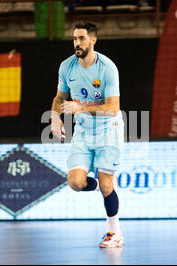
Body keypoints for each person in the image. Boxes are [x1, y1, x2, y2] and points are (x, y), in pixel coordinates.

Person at [50, 21, 124, 248]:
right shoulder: (67, 66)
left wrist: (80, 108)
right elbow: (59, 98)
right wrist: (54, 118)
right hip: (83, 131)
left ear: (93, 40)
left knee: (106, 185)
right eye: (74, 39)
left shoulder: (107, 68)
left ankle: (114, 232)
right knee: (75, 182)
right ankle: (106, 184)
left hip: (108, 129)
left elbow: (112, 107)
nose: (77, 43)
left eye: (81, 38)